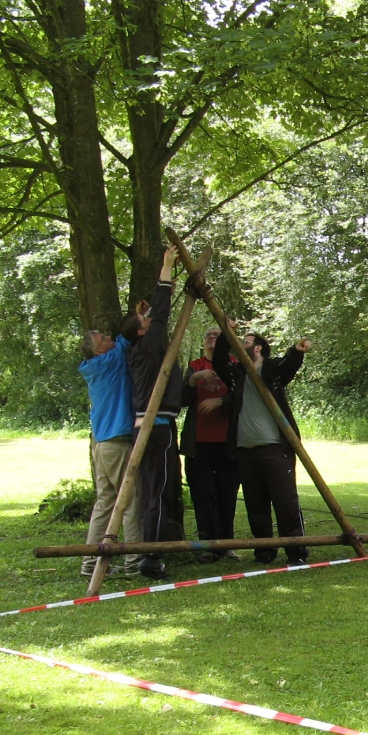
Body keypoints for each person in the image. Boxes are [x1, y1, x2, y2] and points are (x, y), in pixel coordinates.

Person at [211, 325, 311, 565]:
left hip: (275, 448)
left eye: (245, 342)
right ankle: (264, 552)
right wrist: (226, 336)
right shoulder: (237, 373)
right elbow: (219, 362)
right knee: (256, 505)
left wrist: (296, 351)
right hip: (246, 450)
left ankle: (296, 551)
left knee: (285, 502)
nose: (241, 345)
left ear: (257, 348)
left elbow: (288, 366)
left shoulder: (272, 369)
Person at [118, 245, 182, 579]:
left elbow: (150, 318)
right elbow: (163, 309)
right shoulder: (146, 344)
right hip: (156, 427)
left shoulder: (138, 350)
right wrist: (167, 266)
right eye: (145, 321)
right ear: (143, 332)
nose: (150, 319)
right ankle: (151, 558)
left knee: (151, 491)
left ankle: (150, 552)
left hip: (146, 426)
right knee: (157, 493)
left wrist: (136, 312)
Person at [77, 327, 144, 578]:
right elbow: (127, 338)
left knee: (105, 504)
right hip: (116, 443)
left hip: (103, 445)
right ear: (97, 351)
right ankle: (134, 562)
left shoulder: (94, 366)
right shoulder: (108, 361)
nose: (110, 339)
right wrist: (144, 316)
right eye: (104, 339)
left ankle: (90, 563)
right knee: (131, 501)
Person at [180, 325, 239, 561]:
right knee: (203, 495)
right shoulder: (194, 366)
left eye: (217, 335)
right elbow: (180, 400)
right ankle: (208, 545)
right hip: (199, 443)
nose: (212, 338)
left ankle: (227, 544)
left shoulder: (235, 364)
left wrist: (221, 402)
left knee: (227, 493)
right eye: (208, 336)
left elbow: (242, 396)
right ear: (203, 344)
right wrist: (193, 380)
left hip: (228, 442)